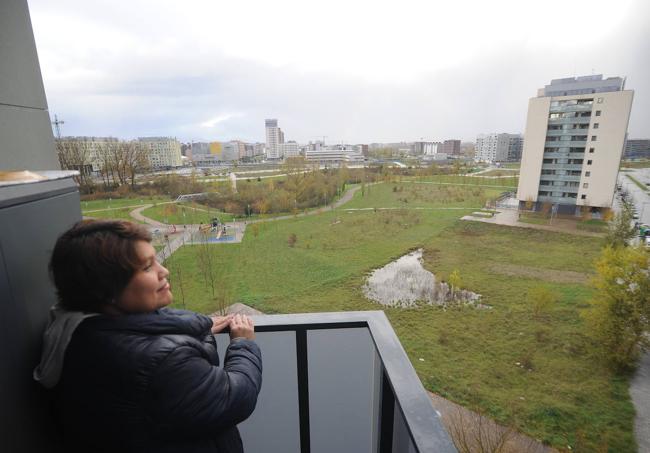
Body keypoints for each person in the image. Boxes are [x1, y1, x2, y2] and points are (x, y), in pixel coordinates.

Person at [34, 220, 262, 453]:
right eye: (147, 267)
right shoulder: (162, 363)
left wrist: (199, 329)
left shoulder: (79, 331)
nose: (164, 271)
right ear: (107, 290)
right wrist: (243, 344)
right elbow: (235, 397)